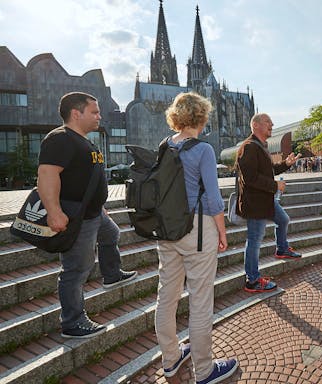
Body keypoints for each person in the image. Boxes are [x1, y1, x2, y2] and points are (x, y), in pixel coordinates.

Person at [37, 92, 137, 338]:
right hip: (76, 216)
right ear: (76, 113)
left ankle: (112, 274)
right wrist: (54, 212)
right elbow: (47, 176)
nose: (99, 116)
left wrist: (99, 205)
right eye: (94, 112)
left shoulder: (83, 140)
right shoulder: (59, 139)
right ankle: (73, 321)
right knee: (76, 269)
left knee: (111, 234)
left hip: (94, 213)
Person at [154, 93, 238, 383]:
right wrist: (222, 231)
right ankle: (204, 371)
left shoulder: (165, 145)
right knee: (201, 301)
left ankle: (170, 359)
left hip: (167, 231)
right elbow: (214, 198)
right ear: (201, 116)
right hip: (198, 229)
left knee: (167, 296)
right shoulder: (203, 149)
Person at [236, 113, 302, 293]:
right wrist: (275, 185)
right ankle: (252, 279)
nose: (272, 124)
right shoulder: (249, 147)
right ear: (256, 125)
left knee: (283, 220)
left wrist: (286, 164)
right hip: (256, 204)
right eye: (267, 122)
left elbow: (268, 170)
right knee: (254, 241)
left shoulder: (260, 146)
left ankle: (281, 249)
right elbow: (250, 178)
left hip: (265, 200)